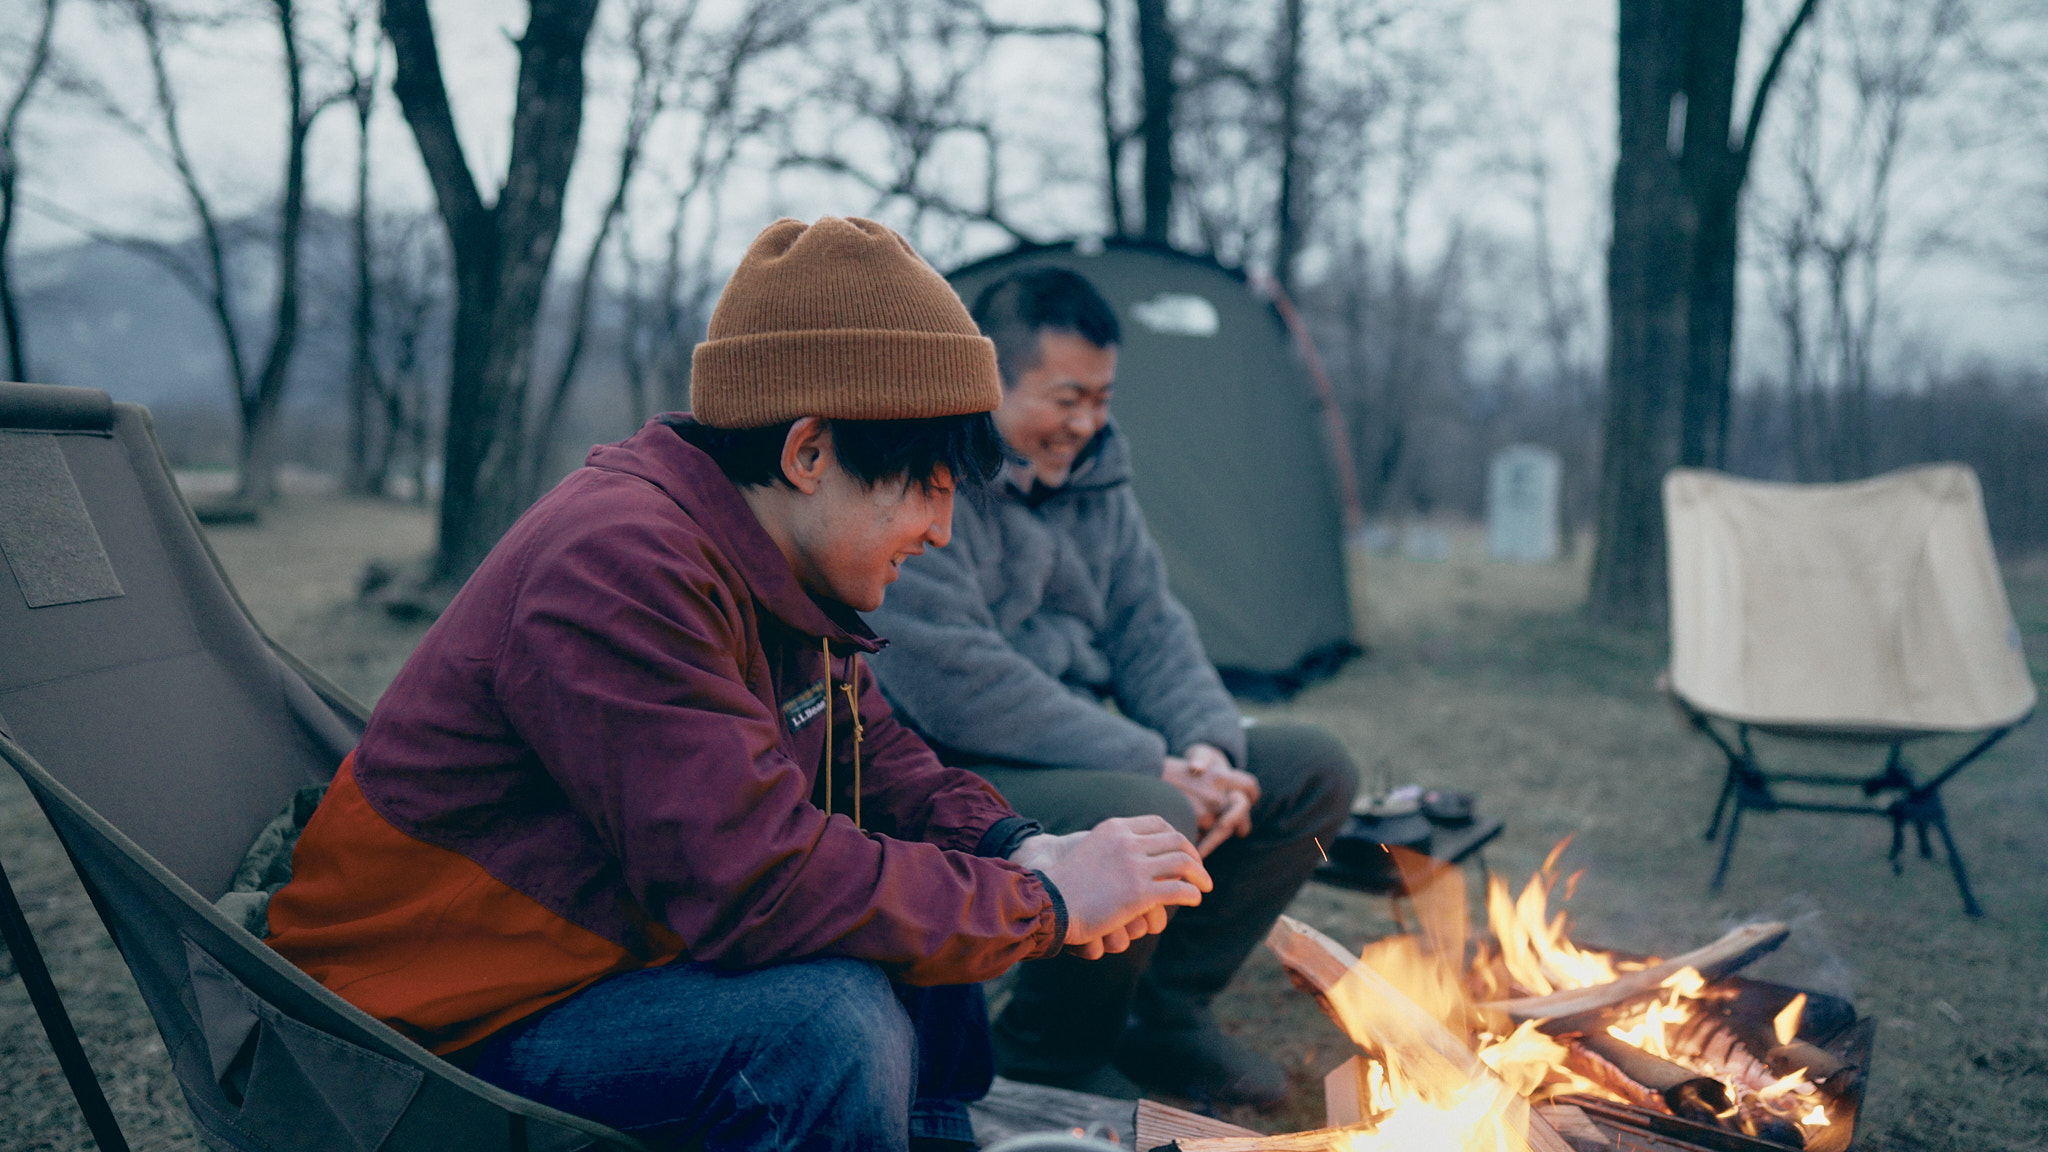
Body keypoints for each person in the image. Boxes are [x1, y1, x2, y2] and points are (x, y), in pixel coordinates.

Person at [265, 220, 1213, 1152]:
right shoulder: (617, 566)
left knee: (931, 903)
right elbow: (754, 886)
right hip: (423, 1020)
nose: (942, 530)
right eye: (926, 485)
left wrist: (1025, 849)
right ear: (808, 454)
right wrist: (1039, 908)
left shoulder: (771, 561)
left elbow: (878, 760)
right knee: (824, 1026)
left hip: (586, 957)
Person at [864, 265, 1359, 1109]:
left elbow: (1148, 626)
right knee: (1148, 810)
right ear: (988, 377)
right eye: (1066, 397)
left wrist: (1206, 743)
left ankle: (1164, 1017)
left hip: (1079, 742)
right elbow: (961, 682)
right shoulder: (928, 473)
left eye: (1102, 397)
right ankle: (1050, 1051)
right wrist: (1155, 765)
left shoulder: (1097, 477)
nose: (1088, 421)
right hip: (946, 763)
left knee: (1311, 768)